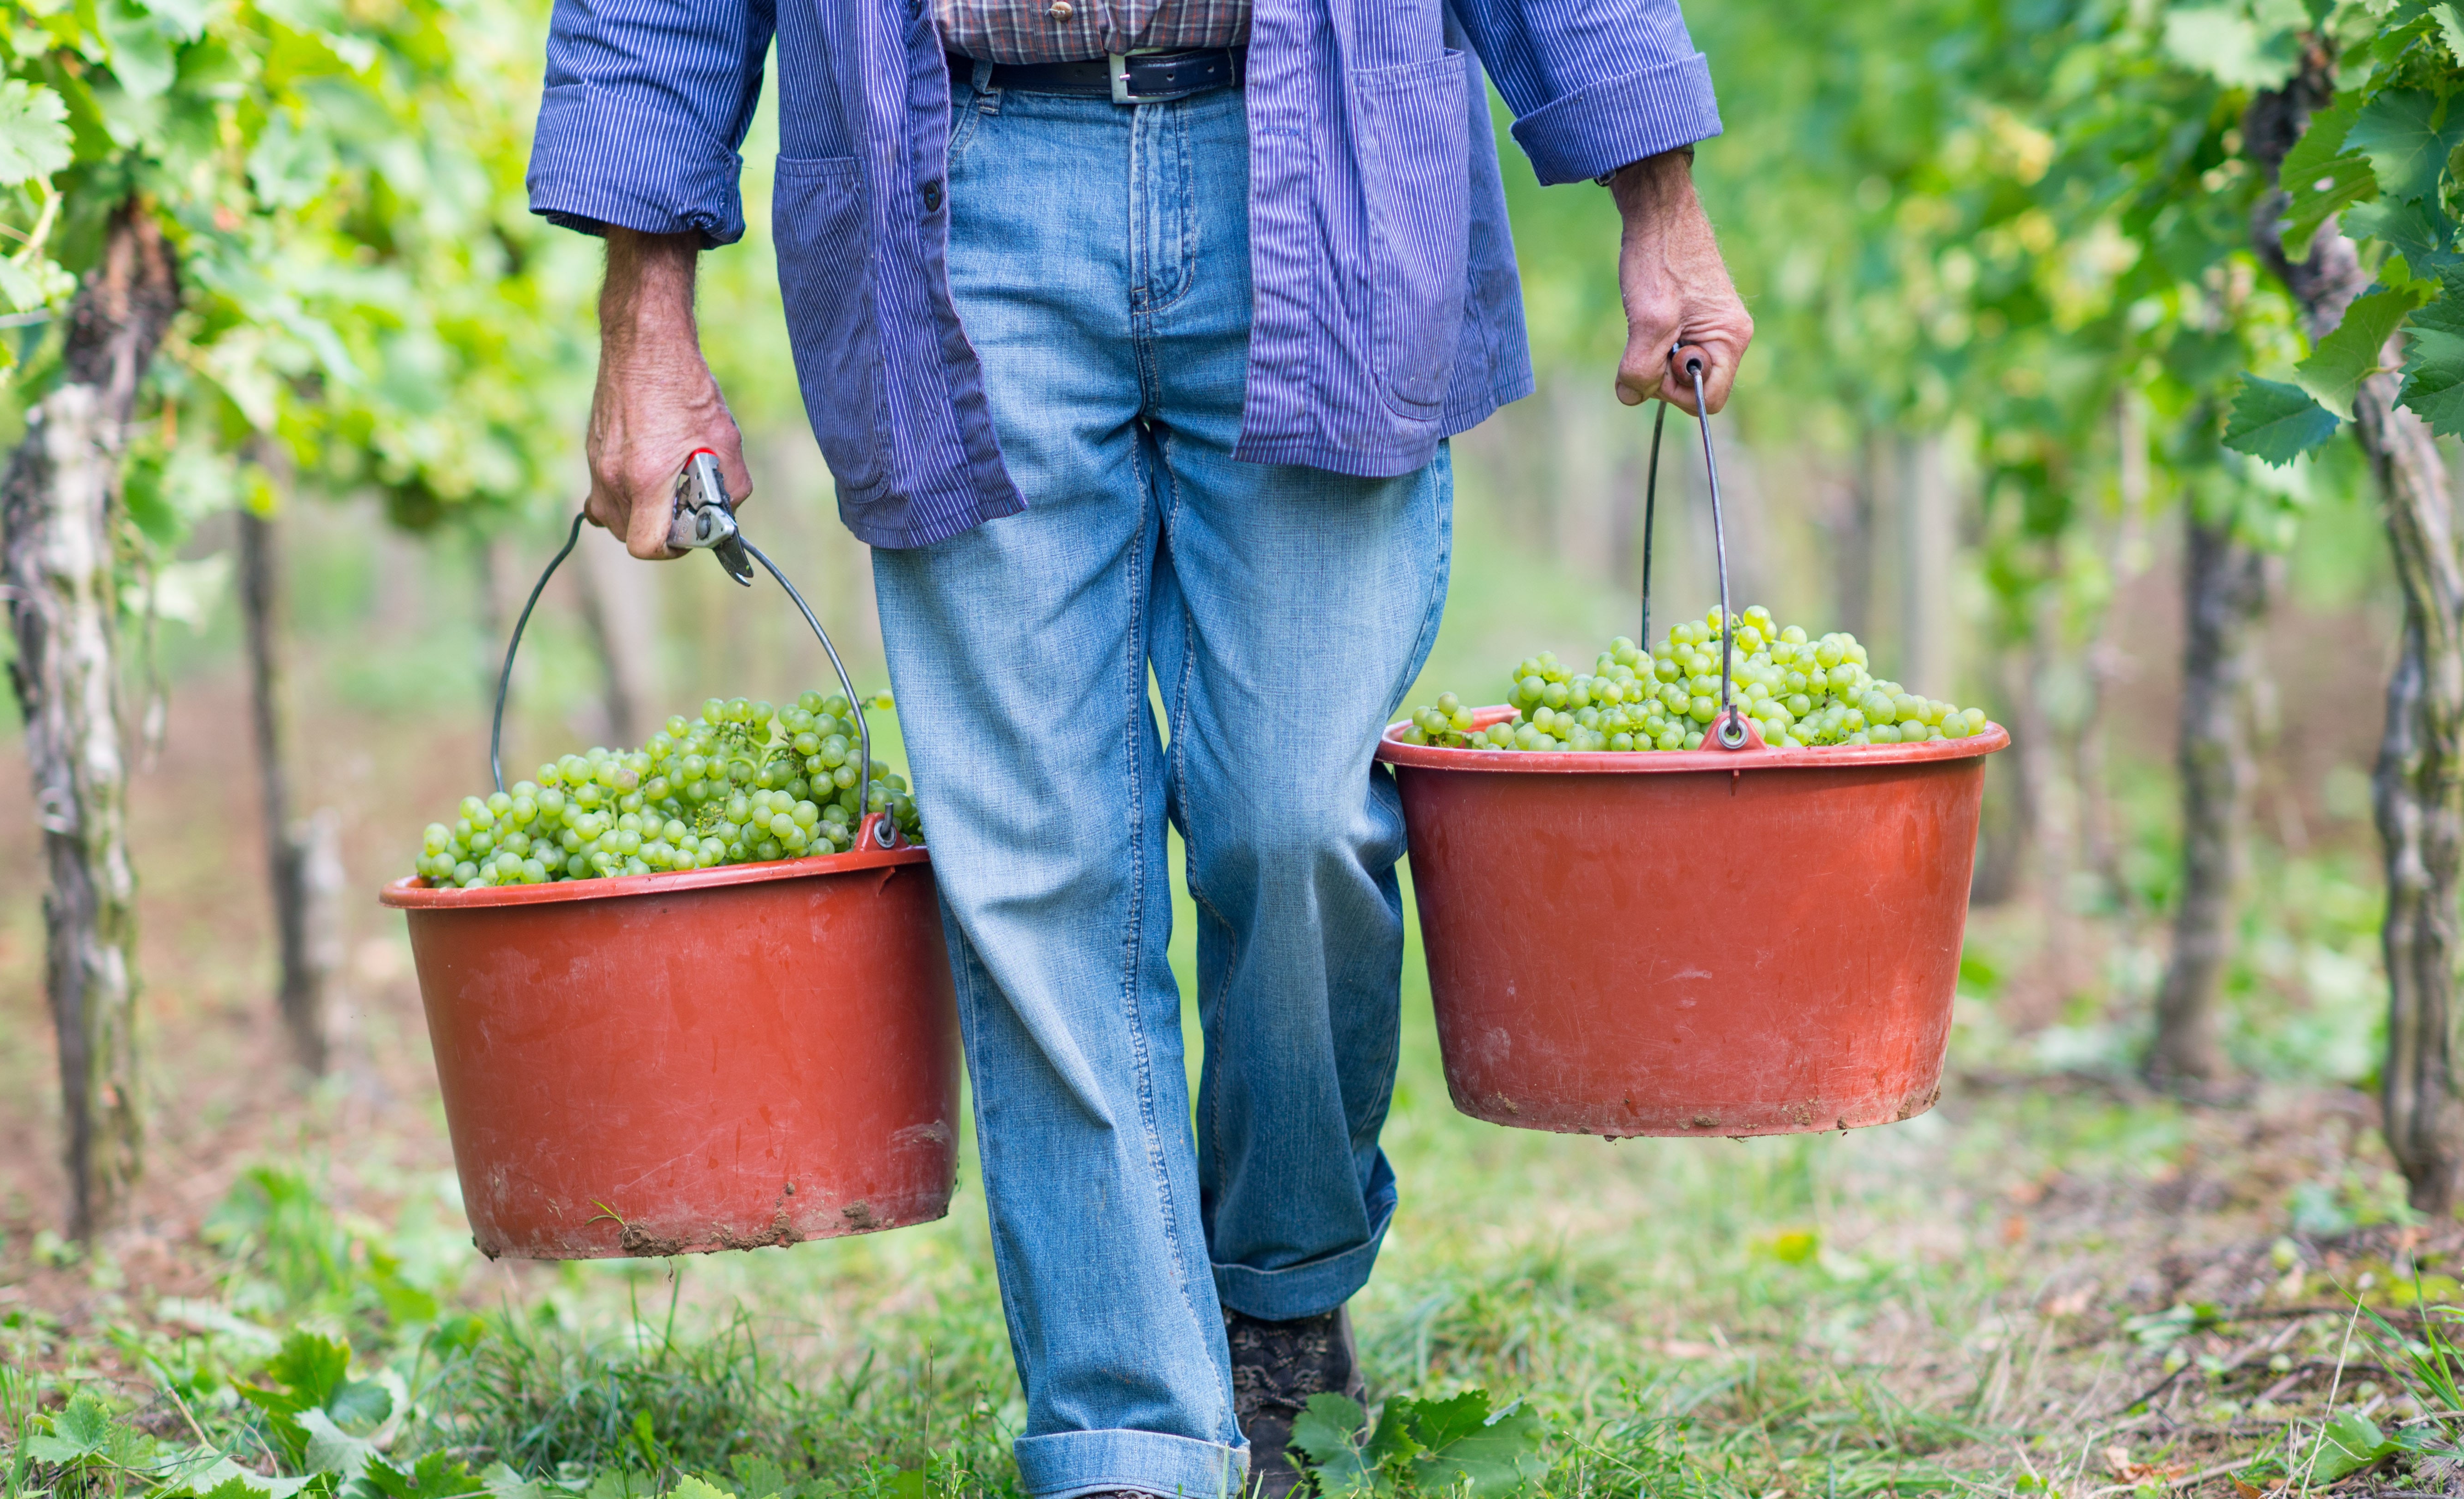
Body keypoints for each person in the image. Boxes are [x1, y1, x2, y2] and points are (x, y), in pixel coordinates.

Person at [526, 0, 1753, 1479]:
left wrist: (1658, 198)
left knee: (1294, 820)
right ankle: (1125, 1433)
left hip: (1319, 159)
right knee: (1033, 861)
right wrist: (642, 319)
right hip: (956, 183)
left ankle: (1281, 1289)